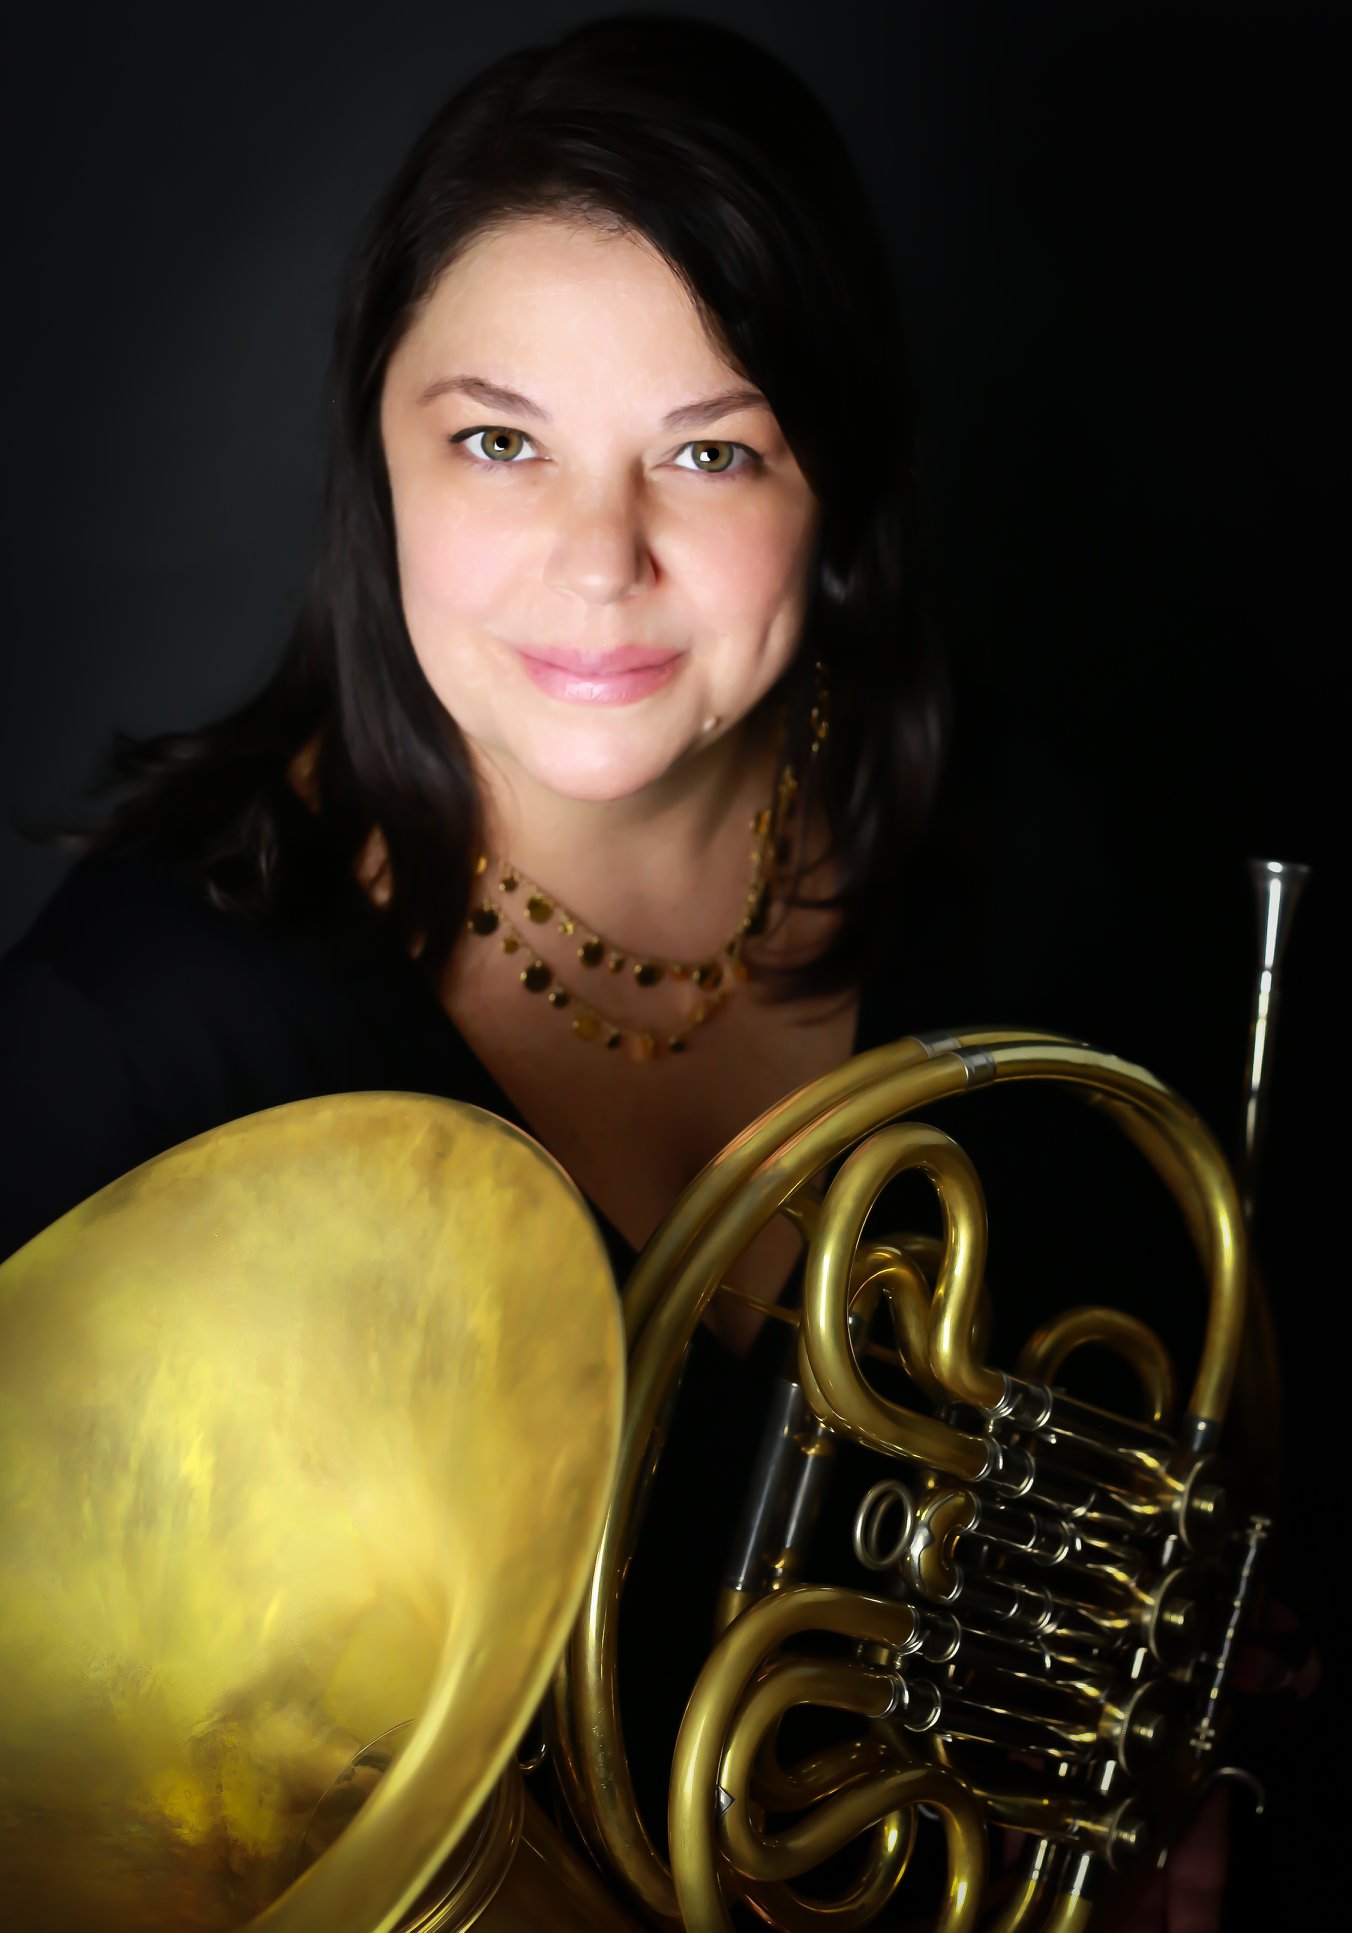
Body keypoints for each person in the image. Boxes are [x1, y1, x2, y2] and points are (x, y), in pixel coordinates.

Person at [0, 12, 1254, 1928]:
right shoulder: (134, 1041)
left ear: (834, 477)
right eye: (501, 442)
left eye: (711, 449)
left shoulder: (1045, 879)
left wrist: (1181, 1756)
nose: (601, 561)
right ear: (380, 457)